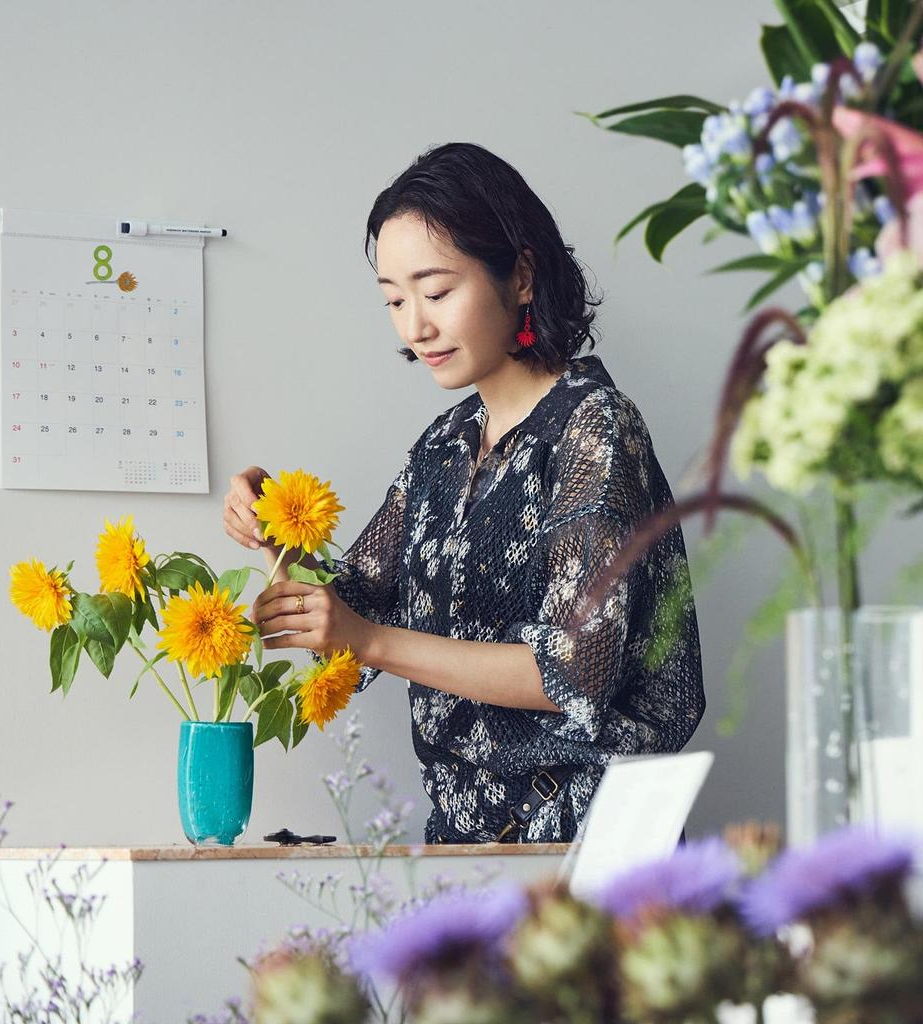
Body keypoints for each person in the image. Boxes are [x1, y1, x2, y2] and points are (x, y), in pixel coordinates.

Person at [222, 142, 705, 844]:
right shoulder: (444, 445)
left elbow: (574, 671)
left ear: (522, 276)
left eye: (437, 291)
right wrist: (275, 529)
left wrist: (369, 639)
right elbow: (347, 614)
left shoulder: (594, 427)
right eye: (394, 299)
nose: (415, 325)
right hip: (469, 842)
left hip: (594, 846)